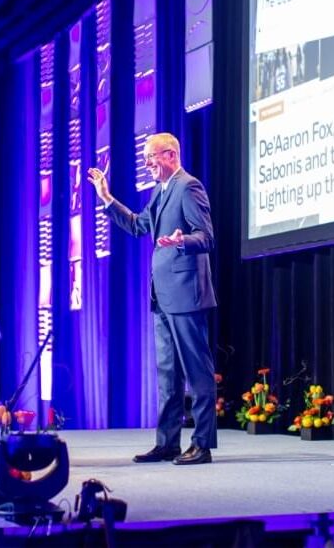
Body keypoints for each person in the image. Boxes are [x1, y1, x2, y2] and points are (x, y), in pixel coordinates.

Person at [86, 132, 217, 465]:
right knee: (167, 375)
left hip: (187, 293)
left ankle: (202, 444)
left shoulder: (188, 187)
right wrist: (106, 198)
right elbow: (137, 226)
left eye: (151, 157)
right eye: (145, 158)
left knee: (197, 373)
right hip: (162, 296)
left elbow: (206, 237)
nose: (147, 164)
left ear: (171, 155)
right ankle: (167, 443)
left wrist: (182, 240)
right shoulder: (160, 191)